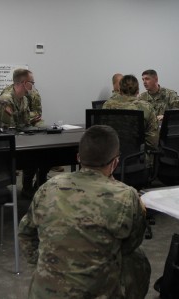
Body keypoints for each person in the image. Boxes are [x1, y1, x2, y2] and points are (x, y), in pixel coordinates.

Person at [18, 125, 151, 299]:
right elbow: (131, 244)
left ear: (79, 158)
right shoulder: (126, 195)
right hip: (94, 292)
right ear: (115, 162)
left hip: (42, 293)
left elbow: (26, 233)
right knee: (137, 259)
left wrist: (44, 263)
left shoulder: (49, 187)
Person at [103, 74, 158, 151]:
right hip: (137, 157)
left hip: (111, 156)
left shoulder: (107, 105)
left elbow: (103, 134)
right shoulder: (146, 107)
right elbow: (153, 142)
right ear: (138, 90)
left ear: (120, 90)